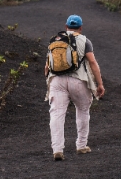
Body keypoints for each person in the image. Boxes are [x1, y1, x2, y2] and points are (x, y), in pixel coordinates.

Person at [45, 14, 105, 161]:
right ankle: (81, 145)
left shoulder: (55, 40)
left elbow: (47, 66)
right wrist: (100, 84)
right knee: (83, 110)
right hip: (78, 80)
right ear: (80, 28)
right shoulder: (85, 41)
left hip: (56, 81)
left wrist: (49, 83)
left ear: (66, 26)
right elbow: (92, 62)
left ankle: (57, 150)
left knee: (56, 114)